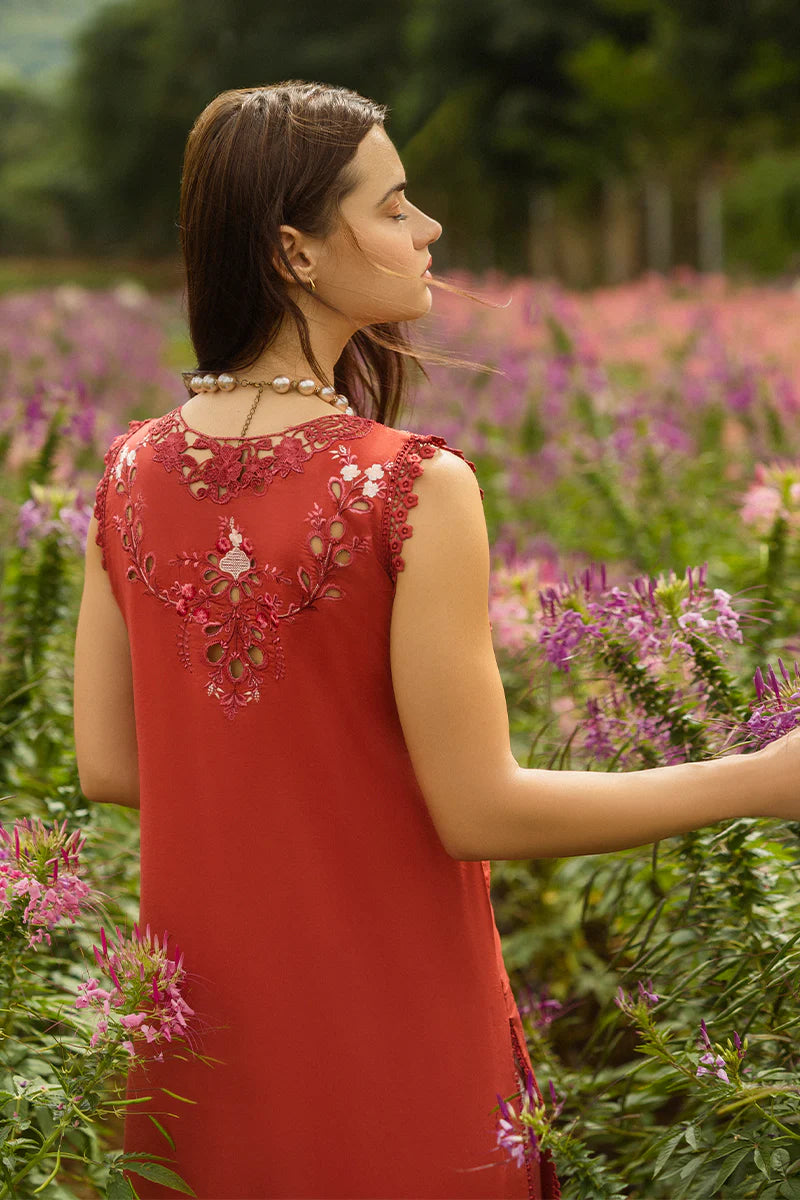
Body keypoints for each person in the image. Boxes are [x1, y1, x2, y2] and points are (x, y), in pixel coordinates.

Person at [73, 81, 800, 1200]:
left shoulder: (125, 473)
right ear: (296, 251)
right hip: (391, 1033)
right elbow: (479, 809)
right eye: (396, 204)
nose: (429, 229)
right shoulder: (408, 485)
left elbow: (113, 766)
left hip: (199, 1050)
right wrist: (758, 779)